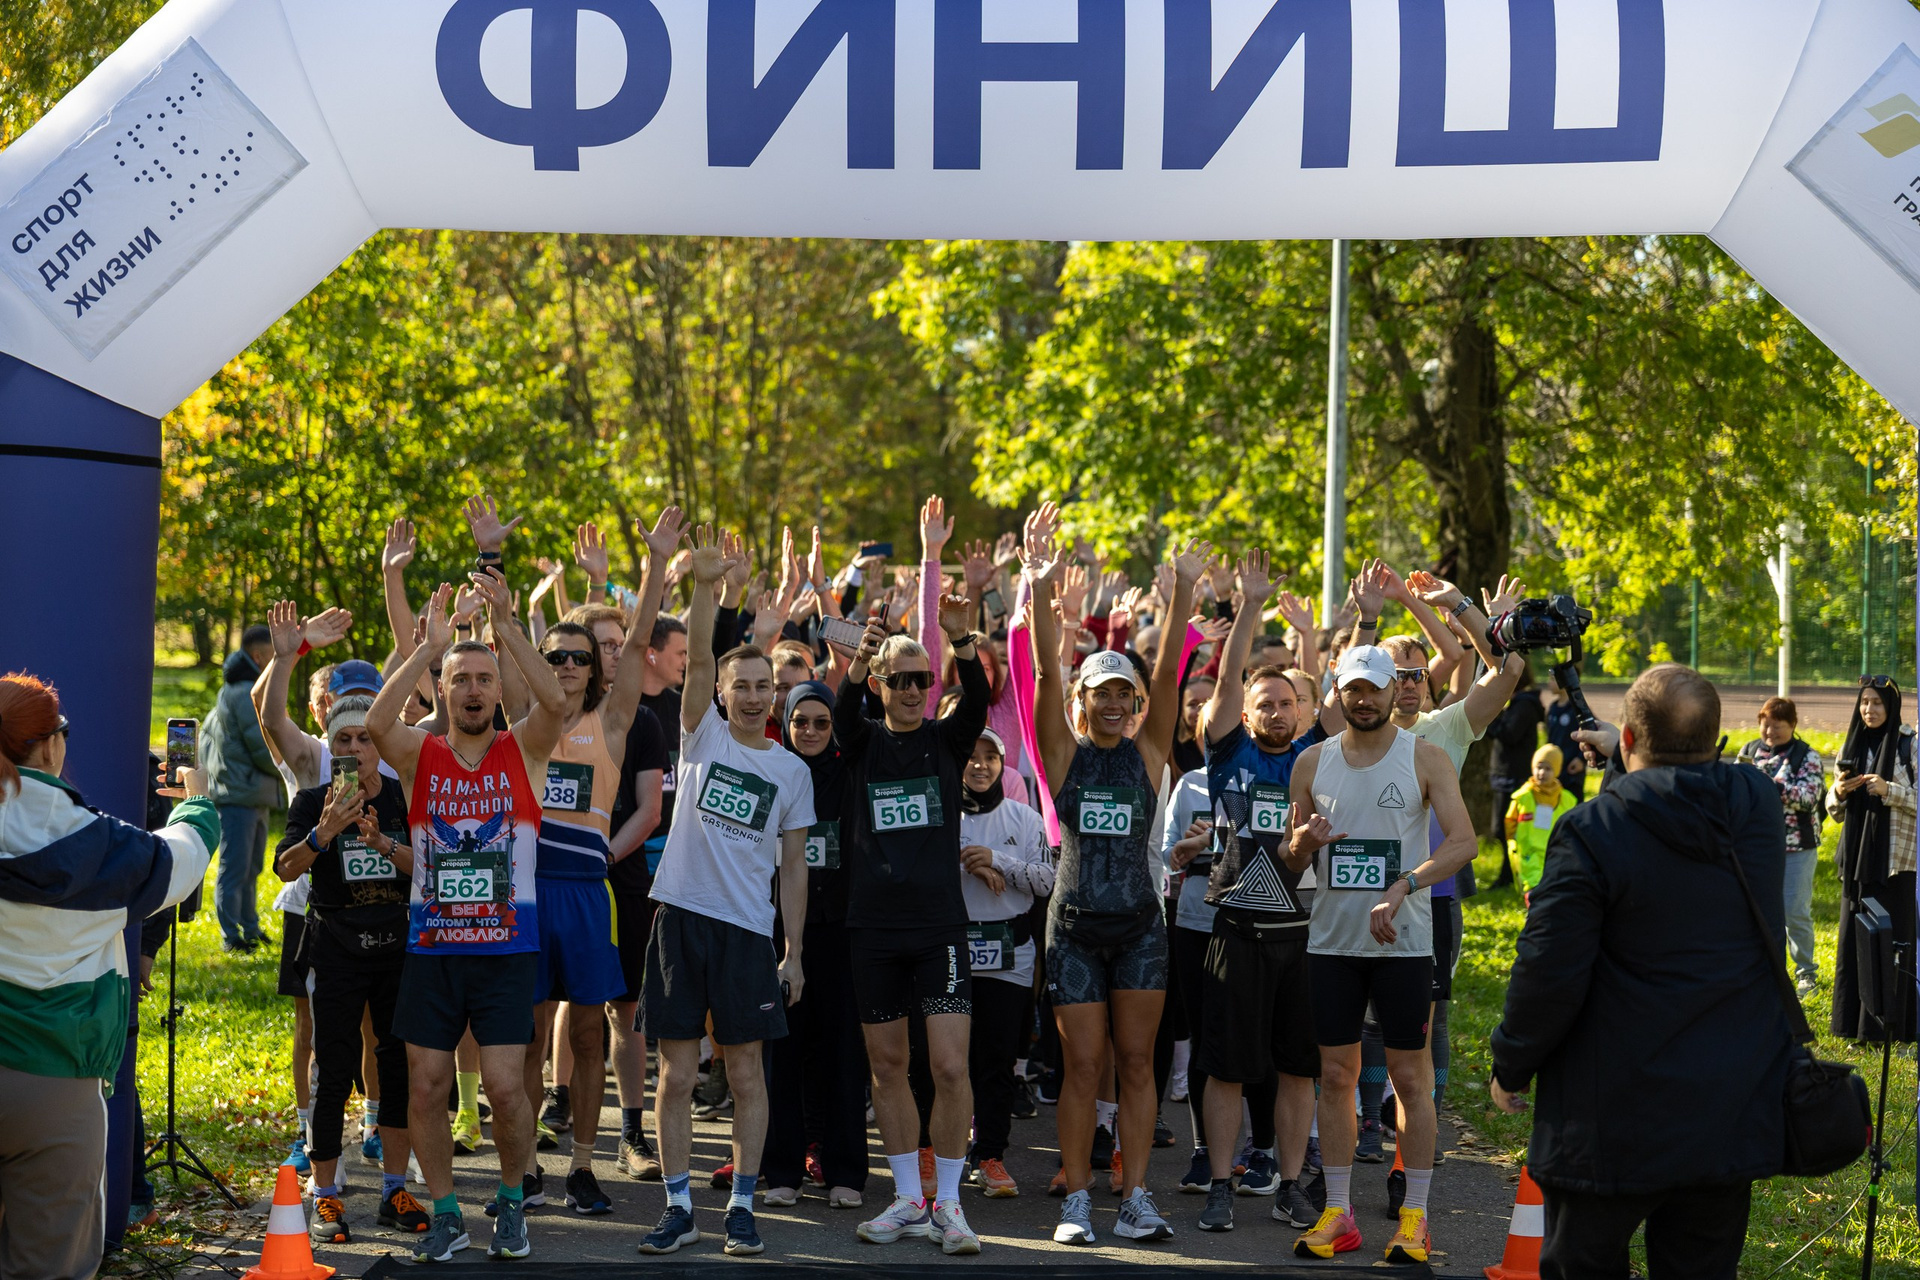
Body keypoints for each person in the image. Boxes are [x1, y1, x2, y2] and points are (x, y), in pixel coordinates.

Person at [1489, 664, 1794, 1280]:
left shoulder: (1591, 830)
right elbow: (1690, 791)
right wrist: (1629, 756)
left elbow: (1549, 969)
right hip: (1727, 1104)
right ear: (1718, 740)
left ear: (1627, 739)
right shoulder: (1757, 804)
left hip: (1609, 1112)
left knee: (1582, 1264)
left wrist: (1512, 1062)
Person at [366, 540, 569, 1263]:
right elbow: (376, 727)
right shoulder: (421, 755)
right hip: (433, 951)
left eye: (485, 679)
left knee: (507, 1091)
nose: (476, 690)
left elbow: (555, 701)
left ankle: (512, 1202)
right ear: (446, 693)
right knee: (426, 1088)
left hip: (507, 951)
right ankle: (447, 1213)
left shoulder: (525, 750)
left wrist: (506, 625)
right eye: (462, 680)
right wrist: (425, 651)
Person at [1026, 503, 1207, 1247]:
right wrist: (1038, 583)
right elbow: (1045, 669)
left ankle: (1134, 1199)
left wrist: (1185, 591)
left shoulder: (1150, 751)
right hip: (1072, 929)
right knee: (1082, 1064)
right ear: (1081, 702)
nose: (1111, 702)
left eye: (1121, 693)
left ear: (1135, 705)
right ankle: (1076, 1201)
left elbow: (1170, 672)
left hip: (1139, 929)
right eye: (1098, 692)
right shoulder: (1062, 754)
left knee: (1136, 1063)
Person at [0, 672, 217, 1280]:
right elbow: (181, 861)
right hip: (56, 1079)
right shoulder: (93, 842)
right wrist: (197, 803)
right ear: (51, 746)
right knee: (52, 1264)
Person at [638, 526, 813, 1259]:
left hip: (746, 932)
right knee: (677, 1074)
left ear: (774, 694)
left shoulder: (791, 771)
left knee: (745, 1074)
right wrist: (706, 587)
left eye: (762, 687)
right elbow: (704, 654)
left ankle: (742, 1206)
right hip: (681, 919)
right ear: (721, 692)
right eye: (739, 686)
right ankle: (678, 1207)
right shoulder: (699, 735)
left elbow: (794, 867)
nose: (750, 696)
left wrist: (793, 952)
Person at [1283, 644, 1477, 1264]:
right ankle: (1339, 1213)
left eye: (1375, 688)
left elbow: (1464, 843)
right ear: (1337, 692)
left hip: (1404, 944)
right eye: (1353, 689)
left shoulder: (1424, 756)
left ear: (1396, 690)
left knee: (1410, 1080)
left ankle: (1415, 1217)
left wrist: (1405, 885)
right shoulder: (1311, 762)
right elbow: (1290, 856)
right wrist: (1301, 844)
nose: (1364, 699)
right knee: (1337, 1077)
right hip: (1332, 942)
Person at [511, 509, 678, 1217]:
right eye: (556, 658)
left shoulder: (614, 722)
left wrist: (656, 563)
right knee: (523, 1036)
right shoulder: (525, 721)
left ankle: (582, 1166)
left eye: (581, 658)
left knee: (586, 1034)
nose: (570, 667)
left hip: (587, 893)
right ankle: (522, 1168)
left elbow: (638, 641)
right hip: (524, 893)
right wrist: (492, 566)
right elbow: (505, 640)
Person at [836, 496, 990, 1256]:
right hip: (872, 929)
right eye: (898, 679)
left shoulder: (947, 742)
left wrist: (961, 639)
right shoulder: (862, 740)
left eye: (921, 679)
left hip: (939, 930)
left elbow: (979, 698)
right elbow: (840, 714)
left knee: (950, 1066)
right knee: (888, 1065)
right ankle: (904, 1199)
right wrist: (855, 662)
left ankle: (950, 1206)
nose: (910, 689)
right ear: (879, 684)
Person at [1191, 549, 1325, 1234]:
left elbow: (1339, 695)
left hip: (1302, 936)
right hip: (1236, 932)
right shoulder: (1229, 754)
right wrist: (1247, 605)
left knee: (1299, 1069)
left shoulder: (1316, 756)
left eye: (1286, 703)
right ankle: (1220, 1184)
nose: (1276, 711)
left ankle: (1291, 1185)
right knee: (1227, 1069)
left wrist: (1316, 638)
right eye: (1263, 704)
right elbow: (1223, 684)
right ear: (1244, 716)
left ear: (1303, 711)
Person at [274, 695, 427, 1245]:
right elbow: (284, 867)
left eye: (366, 738)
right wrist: (324, 832)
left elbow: (429, 867)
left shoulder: (404, 797)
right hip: (335, 947)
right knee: (333, 1069)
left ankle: (394, 1190)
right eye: (344, 739)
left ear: (380, 744)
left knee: (396, 1067)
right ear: (331, 746)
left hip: (395, 948)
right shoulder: (312, 800)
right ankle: (326, 1193)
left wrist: (383, 843)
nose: (356, 749)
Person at [761, 681, 869, 1210]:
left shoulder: (852, 773)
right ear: (785, 725)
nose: (809, 731)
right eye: (799, 721)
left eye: (821, 722)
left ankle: (844, 1168)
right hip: (778, 931)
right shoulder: (772, 772)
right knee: (782, 1053)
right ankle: (782, 1169)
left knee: (844, 1054)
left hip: (843, 932)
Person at [957, 727, 1055, 1199]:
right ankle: (938, 1150)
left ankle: (990, 1154)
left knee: (996, 1061)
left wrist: (997, 860)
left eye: (990, 757)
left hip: (1010, 953)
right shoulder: (942, 814)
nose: (980, 765)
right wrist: (972, 864)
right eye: (971, 755)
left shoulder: (1025, 817)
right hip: (951, 950)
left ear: (1003, 764)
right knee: (947, 1061)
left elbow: (1046, 880)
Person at [1827, 676, 1917, 1042]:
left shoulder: (1910, 745)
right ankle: (1853, 1026)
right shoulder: (1852, 744)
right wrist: (1839, 792)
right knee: (1854, 944)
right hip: (1857, 865)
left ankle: (1892, 1030)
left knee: (1891, 945)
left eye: (1877, 702)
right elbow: (1833, 809)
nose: (1869, 709)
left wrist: (1889, 790)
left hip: (1895, 864)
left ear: (1891, 706)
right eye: (1864, 702)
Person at [1736, 697, 1826, 998]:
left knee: (1794, 912)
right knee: (1757, 911)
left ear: (1793, 725)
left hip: (1797, 846)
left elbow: (1809, 798)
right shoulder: (1749, 751)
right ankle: (1765, 970)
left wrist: (1769, 785)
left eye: (1777, 726)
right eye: (1765, 725)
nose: (1770, 732)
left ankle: (1806, 973)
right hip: (1757, 845)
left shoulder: (1806, 756)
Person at [203, 623, 280, 952]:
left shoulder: (240, 688)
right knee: (235, 867)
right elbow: (262, 746)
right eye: (273, 653)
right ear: (258, 656)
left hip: (251, 793)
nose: (278, 659)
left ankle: (249, 927)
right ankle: (230, 934)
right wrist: (289, 764)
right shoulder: (244, 691)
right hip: (239, 795)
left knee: (251, 867)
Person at [1483, 668, 1544, 887]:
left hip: (1514, 777)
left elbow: (1509, 734)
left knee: (1505, 828)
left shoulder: (1524, 705)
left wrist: (1490, 720)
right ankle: (1509, 873)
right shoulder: (1518, 704)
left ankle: (1511, 874)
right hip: (1505, 775)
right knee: (1501, 828)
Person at [1503, 745, 1576, 903]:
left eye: (1548, 769)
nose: (1542, 773)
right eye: (1539, 767)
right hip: (1529, 854)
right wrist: (1513, 842)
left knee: (1551, 889)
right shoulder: (1522, 797)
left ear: (1557, 771)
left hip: (1554, 852)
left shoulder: (1567, 800)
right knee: (1532, 889)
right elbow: (1510, 821)